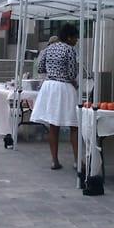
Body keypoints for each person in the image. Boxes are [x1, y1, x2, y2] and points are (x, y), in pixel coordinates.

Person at [31, 24, 79, 170]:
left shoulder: (48, 48)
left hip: (49, 86)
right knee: (74, 125)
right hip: (64, 87)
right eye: (75, 38)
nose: (76, 41)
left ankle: (54, 160)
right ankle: (77, 161)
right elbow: (72, 74)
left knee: (53, 125)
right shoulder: (70, 50)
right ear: (69, 37)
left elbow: (40, 68)